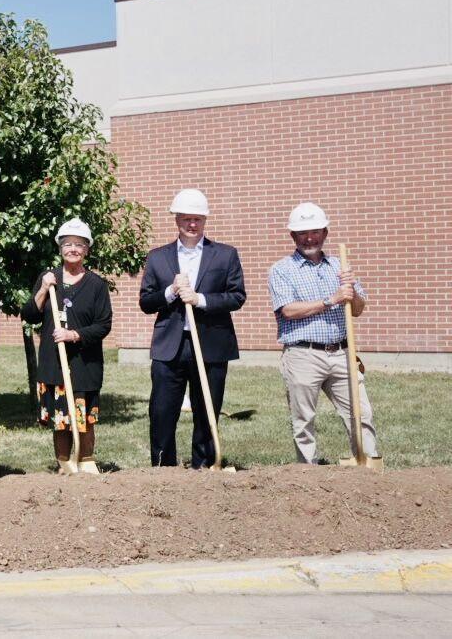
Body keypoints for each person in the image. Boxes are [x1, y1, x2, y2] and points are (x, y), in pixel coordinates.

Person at [138, 188, 247, 468]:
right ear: (176, 219)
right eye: (186, 218)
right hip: (169, 347)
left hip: (211, 344)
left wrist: (200, 299)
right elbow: (147, 302)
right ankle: (164, 469)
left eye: (197, 219)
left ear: (205, 220)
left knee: (207, 410)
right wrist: (171, 291)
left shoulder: (225, 255)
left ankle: (205, 466)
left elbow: (237, 296)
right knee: (162, 412)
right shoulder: (158, 257)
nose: (191, 224)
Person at [268, 202, 377, 464]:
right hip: (303, 354)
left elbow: (358, 310)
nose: (309, 238)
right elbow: (288, 311)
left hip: (342, 353)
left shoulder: (340, 266)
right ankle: (309, 475)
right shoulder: (281, 270)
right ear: (293, 236)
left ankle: (371, 469)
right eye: (302, 233)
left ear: (325, 233)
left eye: (315, 231)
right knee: (303, 420)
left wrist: (351, 291)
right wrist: (331, 300)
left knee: (361, 414)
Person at [19, 218, 112, 473]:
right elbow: (30, 315)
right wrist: (43, 289)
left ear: (87, 250)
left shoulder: (96, 285)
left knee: (83, 419)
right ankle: (63, 464)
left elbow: (103, 325)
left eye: (79, 245)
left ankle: (85, 460)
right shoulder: (49, 278)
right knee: (61, 420)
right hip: (54, 362)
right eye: (67, 244)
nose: (73, 249)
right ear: (60, 248)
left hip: (84, 362)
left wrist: (73, 335)